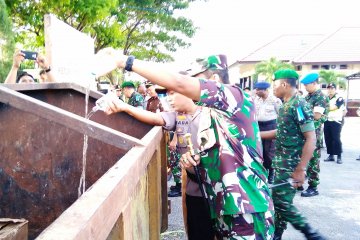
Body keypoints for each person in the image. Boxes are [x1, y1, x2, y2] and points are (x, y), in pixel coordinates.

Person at [94, 49, 274, 239]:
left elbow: (178, 82)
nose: (183, 91)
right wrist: (193, 160)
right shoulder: (210, 115)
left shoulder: (235, 97)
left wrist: (124, 61)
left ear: (214, 79)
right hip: (223, 208)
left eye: (196, 81)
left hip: (247, 208)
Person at [260, 69, 326, 240]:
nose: (273, 88)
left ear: (284, 84)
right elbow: (281, 132)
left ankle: (312, 234)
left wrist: (301, 168)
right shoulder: (286, 104)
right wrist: (254, 135)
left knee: (282, 203)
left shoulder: (299, 105)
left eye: (274, 85)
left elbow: (310, 138)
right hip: (281, 161)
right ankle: (276, 235)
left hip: (291, 164)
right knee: (280, 202)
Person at [299, 73, 329, 197]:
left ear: (314, 84)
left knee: (313, 159)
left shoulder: (320, 97)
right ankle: (299, 183)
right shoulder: (308, 97)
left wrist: (302, 114)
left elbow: (316, 116)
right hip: (303, 131)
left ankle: (313, 186)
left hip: (313, 132)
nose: (305, 87)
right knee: (302, 157)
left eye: (307, 85)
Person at [254, 81, 282, 184]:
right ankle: (262, 173)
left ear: (265, 90)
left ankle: (271, 173)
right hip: (259, 126)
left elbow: (281, 115)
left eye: (258, 90)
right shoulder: (256, 100)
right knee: (259, 151)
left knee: (269, 152)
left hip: (271, 126)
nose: (256, 91)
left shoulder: (275, 101)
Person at [323, 83, 345, 164]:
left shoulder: (339, 97)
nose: (330, 90)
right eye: (328, 88)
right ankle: (331, 155)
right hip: (327, 120)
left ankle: (339, 156)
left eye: (332, 88)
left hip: (336, 121)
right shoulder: (326, 98)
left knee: (336, 139)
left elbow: (335, 107)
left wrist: (324, 108)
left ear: (335, 89)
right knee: (328, 138)